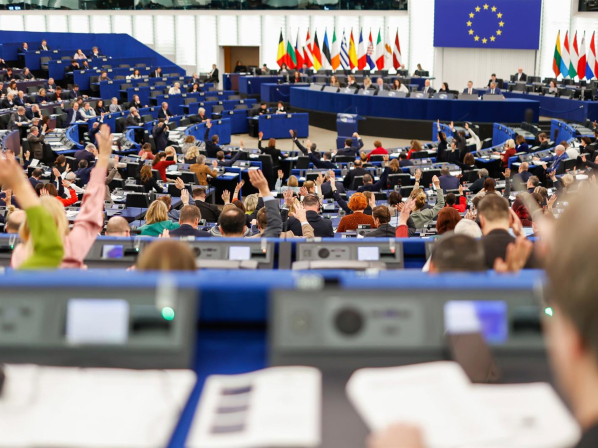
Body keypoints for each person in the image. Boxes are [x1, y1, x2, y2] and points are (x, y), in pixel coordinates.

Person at [13, 124, 113, 269]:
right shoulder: (71, 248)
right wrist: (103, 158)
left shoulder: (20, 253)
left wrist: (17, 185)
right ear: (61, 219)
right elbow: (89, 214)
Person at [478, 194, 536, 269]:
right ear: (510, 219)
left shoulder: (472, 251)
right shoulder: (528, 253)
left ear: (481, 220)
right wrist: (522, 236)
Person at [220, 170, 281, 238]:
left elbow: (233, 206)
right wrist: (263, 189)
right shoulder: (251, 218)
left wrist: (228, 200)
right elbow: (275, 225)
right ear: (244, 230)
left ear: (221, 230)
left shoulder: (241, 218)